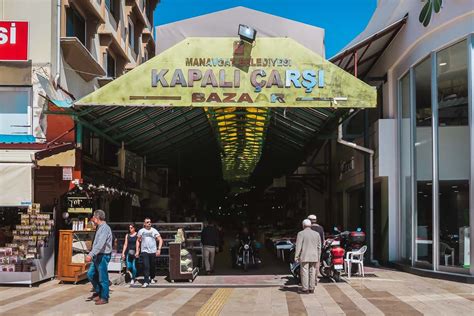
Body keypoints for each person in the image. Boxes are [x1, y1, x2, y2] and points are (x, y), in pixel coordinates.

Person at [86, 210, 113, 305]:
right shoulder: (99, 227)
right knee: (90, 274)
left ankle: (104, 297)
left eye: (93, 217)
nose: (92, 219)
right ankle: (99, 292)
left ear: (97, 218)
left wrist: (91, 254)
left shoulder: (105, 228)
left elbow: (100, 244)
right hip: (98, 255)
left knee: (103, 277)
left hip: (103, 255)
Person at [294, 219, 321, 294]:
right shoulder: (316, 234)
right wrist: (318, 256)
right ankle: (312, 288)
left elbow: (298, 246)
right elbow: (319, 246)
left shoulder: (301, 234)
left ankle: (305, 289)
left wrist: (296, 256)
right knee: (313, 271)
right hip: (314, 256)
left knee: (304, 272)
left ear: (303, 225)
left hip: (304, 256)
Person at [135, 218, 163, 288]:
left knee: (152, 266)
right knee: (146, 266)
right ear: (144, 224)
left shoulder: (154, 230)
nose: (149, 223)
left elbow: (160, 239)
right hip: (144, 251)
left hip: (153, 251)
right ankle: (146, 281)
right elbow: (138, 241)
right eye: (147, 222)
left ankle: (152, 277)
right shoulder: (141, 231)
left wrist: (159, 249)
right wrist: (137, 251)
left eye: (150, 222)